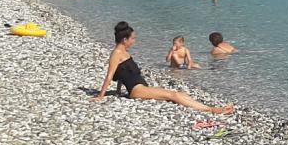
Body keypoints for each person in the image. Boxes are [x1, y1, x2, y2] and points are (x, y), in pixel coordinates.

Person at [94, 22, 234, 113]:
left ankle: (205, 107)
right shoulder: (116, 54)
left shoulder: (123, 52)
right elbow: (110, 75)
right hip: (137, 90)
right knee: (173, 95)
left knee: (179, 94)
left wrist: (118, 91)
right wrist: (100, 97)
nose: (134, 41)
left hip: (141, 87)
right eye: (133, 38)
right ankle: (212, 109)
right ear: (125, 39)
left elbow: (121, 74)